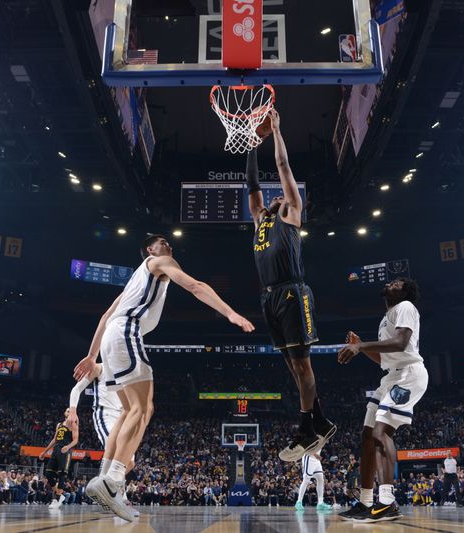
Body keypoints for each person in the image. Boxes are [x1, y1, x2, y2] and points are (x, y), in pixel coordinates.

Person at [73, 234, 254, 521]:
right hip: (126, 333)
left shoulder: (135, 281)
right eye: (161, 241)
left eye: (168, 243)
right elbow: (195, 286)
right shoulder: (160, 261)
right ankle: (113, 481)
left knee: (128, 410)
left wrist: (92, 355)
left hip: (111, 338)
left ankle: (105, 476)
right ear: (149, 249)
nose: (168, 244)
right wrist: (230, 313)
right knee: (144, 408)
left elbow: (106, 315)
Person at [246, 109, 336, 462]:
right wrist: (253, 142)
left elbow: (282, 168)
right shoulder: (259, 221)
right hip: (268, 297)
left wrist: (278, 132)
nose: (275, 197)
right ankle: (320, 421)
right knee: (290, 365)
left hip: (292, 292)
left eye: (280, 196)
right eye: (273, 198)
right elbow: (252, 185)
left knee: (303, 366)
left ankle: (305, 429)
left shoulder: (291, 213)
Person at [337, 278, 428, 523]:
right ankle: (366, 501)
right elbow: (384, 361)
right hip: (391, 377)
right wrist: (362, 347)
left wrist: (361, 346)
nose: (391, 283)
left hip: (409, 375)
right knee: (366, 436)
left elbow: (400, 343)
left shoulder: (406, 306)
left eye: (397, 283)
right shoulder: (388, 316)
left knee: (380, 433)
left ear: (405, 292)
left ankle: (387, 501)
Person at [68, 361, 138, 516]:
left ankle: (103, 487)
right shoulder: (99, 367)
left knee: (130, 462)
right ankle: (119, 497)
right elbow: (76, 389)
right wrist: (73, 411)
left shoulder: (127, 372)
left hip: (122, 417)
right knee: (118, 454)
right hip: (105, 415)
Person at [39, 409, 79, 510]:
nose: (68, 411)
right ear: (64, 413)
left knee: (62, 474)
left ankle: (56, 499)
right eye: (67, 410)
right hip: (56, 450)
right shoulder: (59, 424)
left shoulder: (73, 424)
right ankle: (60, 494)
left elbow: (76, 440)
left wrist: (68, 447)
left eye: (70, 411)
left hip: (65, 451)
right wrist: (45, 451)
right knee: (48, 473)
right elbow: (54, 439)